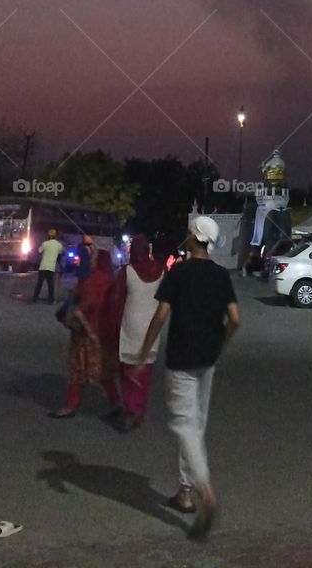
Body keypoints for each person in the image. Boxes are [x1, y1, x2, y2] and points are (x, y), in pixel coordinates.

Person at [134, 215, 240, 538]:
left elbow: (161, 315)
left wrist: (143, 352)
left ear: (194, 236)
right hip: (208, 359)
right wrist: (221, 341)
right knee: (196, 425)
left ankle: (204, 490)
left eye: (188, 232)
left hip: (181, 359)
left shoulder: (178, 272)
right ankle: (184, 492)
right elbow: (235, 318)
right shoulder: (222, 275)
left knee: (184, 425)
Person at [49, 249, 121, 419]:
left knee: (77, 370)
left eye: (94, 258)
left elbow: (87, 303)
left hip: (84, 332)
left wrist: (74, 315)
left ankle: (70, 406)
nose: (92, 260)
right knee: (104, 371)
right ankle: (116, 402)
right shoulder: (111, 279)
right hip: (102, 332)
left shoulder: (91, 279)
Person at [109, 234, 164, 431]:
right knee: (145, 373)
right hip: (152, 328)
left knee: (128, 372)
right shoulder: (161, 270)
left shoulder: (128, 271)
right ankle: (139, 410)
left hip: (130, 326)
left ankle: (131, 409)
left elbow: (116, 300)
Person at [33, 228, 63, 303]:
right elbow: (60, 253)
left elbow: (39, 251)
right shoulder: (59, 245)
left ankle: (35, 298)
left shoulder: (45, 243)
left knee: (39, 283)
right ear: (56, 236)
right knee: (50, 284)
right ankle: (51, 299)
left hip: (43, 266)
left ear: (48, 236)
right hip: (51, 267)